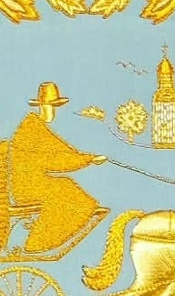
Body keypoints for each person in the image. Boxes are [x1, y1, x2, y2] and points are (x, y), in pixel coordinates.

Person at [9, 82, 107, 254]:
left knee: (65, 186)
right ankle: (37, 242)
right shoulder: (32, 129)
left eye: (55, 107)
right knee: (65, 188)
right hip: (27, 186)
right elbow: (56, 160)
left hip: (35, 182)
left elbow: (64, 152)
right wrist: (89, 160)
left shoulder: (36, 126)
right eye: (51, 106)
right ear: (42, 106)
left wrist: (88, 158)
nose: (53, 112)